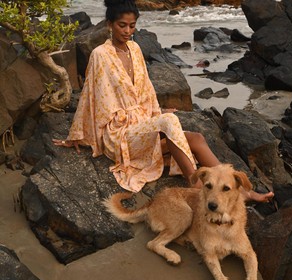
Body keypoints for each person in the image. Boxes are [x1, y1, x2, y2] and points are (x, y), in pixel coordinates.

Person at [53, 0, 273, 202]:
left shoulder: (135, 49)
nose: (128, 31)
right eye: (122, 25)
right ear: (109, 24)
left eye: (132, 26)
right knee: (168, 122)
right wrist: (77, 136)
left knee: (195, 138)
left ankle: (240, 190)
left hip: (141, 125)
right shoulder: (100, 55)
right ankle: (195, 185)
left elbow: (146, 89)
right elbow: (90, 96)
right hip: (120, 134)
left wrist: (156, 111)